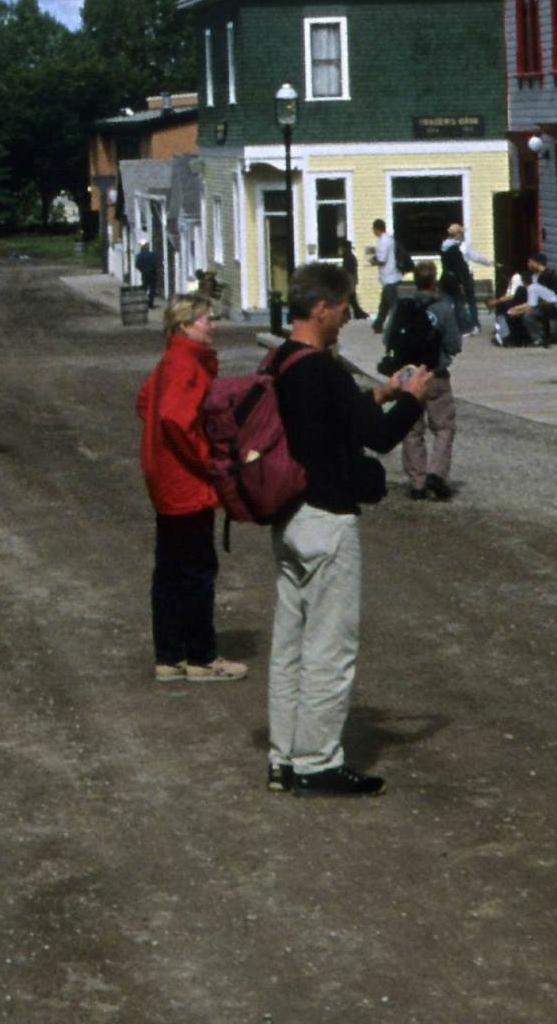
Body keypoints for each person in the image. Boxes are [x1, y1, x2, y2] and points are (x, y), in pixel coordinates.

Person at [255, 262, 430, 794]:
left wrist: (377, 393)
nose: (345, 319)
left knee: (290, 646)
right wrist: (411, 401)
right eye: (343, 309)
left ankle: (284, 758)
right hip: (327, 517)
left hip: (287, 514)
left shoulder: (280, 359)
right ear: (321, 308)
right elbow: (376, 439)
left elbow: (333, 418)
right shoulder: (324, 369)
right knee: (330, 647)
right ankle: (318, 763)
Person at [136, 282, 246, 683]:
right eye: (206, 319)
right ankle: (201, 657)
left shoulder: (171, 359)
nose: (212, 325)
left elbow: (146, 403)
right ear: (186, 325)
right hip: (186, 485)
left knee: (170, 569)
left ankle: (170, 656)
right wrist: (207, 460)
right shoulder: (188, 363)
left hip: (166, 480)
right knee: (198, 569)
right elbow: (172, 417)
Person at [381, 258, 466, 499]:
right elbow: (454, 344)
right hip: (435, 373)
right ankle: (436, 474)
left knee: (411, 428)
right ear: (435, 279)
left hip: (409, 374)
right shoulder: (442, 308)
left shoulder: (403, 306)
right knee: (443, 426)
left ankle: (417, 481)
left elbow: (388, 340)